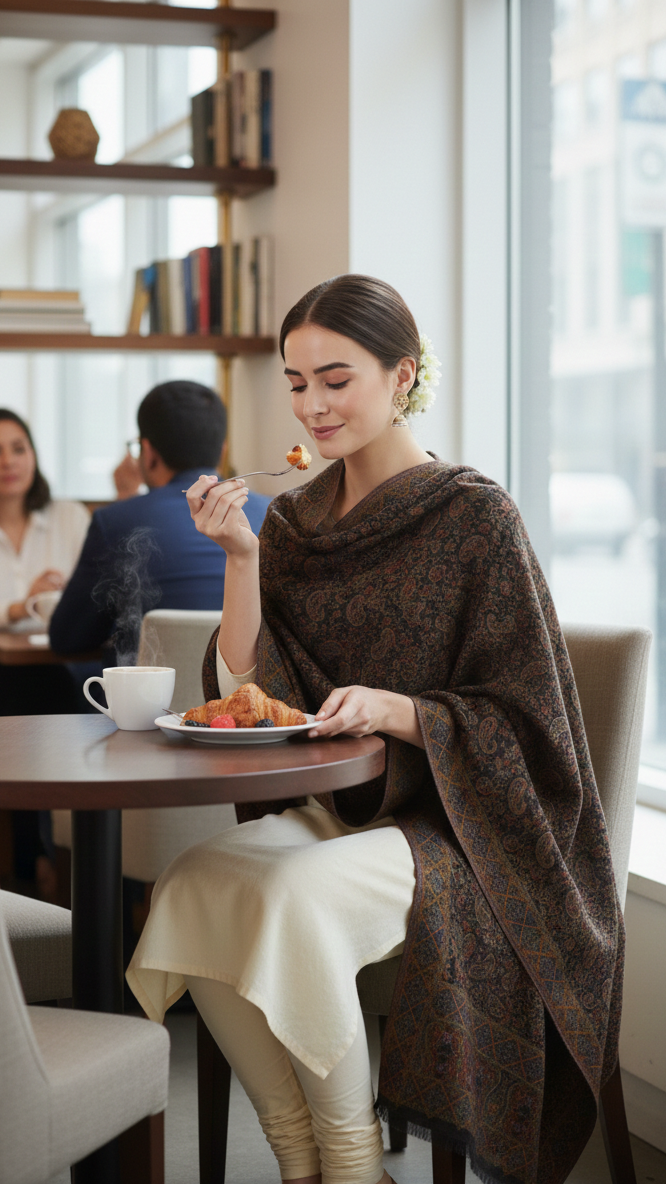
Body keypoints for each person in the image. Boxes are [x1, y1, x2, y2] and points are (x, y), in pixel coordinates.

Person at [126, 277, 623, 1184]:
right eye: (295, 381)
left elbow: (533, 719)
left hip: (462, 828)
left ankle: (353, 1166)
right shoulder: (297, 524)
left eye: (336, 379)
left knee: (291, 900)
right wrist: (241, 557)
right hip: (341, 805)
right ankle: (299, 1159)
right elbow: (251, 691)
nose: (312, 405)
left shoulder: (476, 516)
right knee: (190, 886)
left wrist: (401, 711)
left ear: (403, 376)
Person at [50, 379, 270, 658]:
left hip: (148, 701)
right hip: (248, 698)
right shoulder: (272, 512)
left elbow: (68, 637)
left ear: (148, 452)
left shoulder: (115, 521)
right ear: (222, 451)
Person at [0, 408, 90, 890]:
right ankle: (34, 859)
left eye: (18, 448)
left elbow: (91, 595)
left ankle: (47, 857)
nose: (9, 461)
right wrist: (19, 605)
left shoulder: (68, 516)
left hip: (60, 668)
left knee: (54, 693)